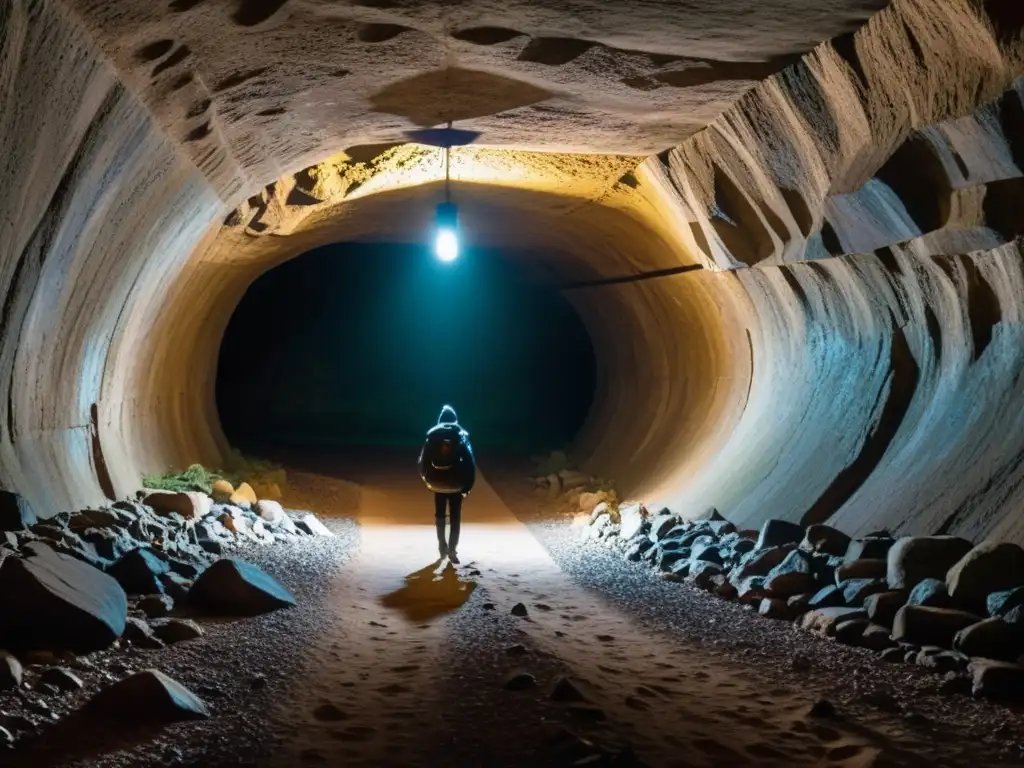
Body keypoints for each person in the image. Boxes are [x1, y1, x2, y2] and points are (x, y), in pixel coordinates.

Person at [418, 405, 476, 563]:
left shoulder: (432, 435)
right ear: (455, 420)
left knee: (440, 515)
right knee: (455, 516)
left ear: (440, 420)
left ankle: (441, 548)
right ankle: (452, 550)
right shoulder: (460, 435)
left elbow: (422, 462)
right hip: (457, 484)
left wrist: (427, 479)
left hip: (437, 483)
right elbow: (470, 462)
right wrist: (468, 486)